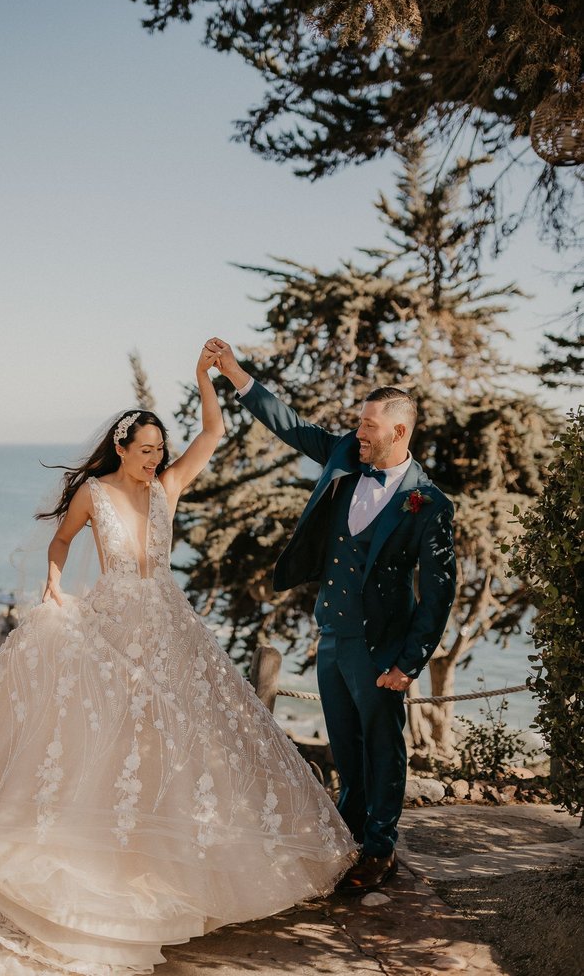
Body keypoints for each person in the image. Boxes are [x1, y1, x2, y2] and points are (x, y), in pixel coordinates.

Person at [0, 344, 357, 976]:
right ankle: (108, 857)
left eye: (159, 450)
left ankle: (173, 865)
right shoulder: (93, 493)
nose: (155, 459)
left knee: (180, 736)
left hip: (170, 624)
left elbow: (213, 433)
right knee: (114, 733)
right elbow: (61, 540)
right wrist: (53, 583)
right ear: (121, 448)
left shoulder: (167, 488)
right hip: (113, 623)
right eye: (145, 450)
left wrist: (207, 378)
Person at [206, 337, 456, 895]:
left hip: (381, 648)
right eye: (359, 423)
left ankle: (380, 847)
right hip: (333, 634)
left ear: (399, 431)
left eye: (369, 425)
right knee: (345, 744)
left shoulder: (429, 504)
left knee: (382, 747)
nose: (358, 432)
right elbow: (291, 425)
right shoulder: (346, 455)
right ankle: (349, 832)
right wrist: (235, 374)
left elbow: (439, 594)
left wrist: (410, 664)